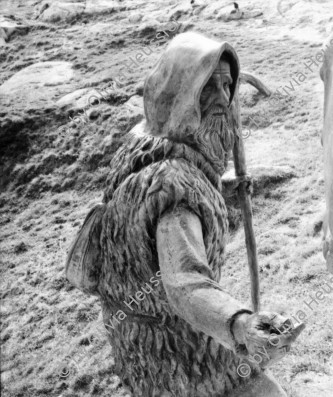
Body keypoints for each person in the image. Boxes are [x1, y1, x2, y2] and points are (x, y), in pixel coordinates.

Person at [65, 32, 302, 396]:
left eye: (227, 86)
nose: (224, 100)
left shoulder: (146, 144)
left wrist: (222, 193)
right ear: (181, 93)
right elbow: (184, 283)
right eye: (209, 88)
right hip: (176, 353)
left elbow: (151, 226)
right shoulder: (176, 191)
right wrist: (240, 325)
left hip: (136, 336)